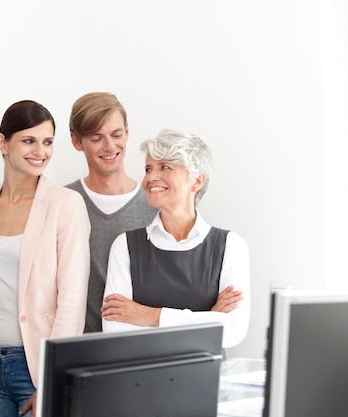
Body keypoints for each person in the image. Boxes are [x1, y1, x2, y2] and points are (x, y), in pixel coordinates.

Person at [0, 100, 90, 417]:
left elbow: (72, 301)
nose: (41, 151)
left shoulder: (66, 205)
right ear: (3, 143)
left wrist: (52, 377)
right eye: (29, 141)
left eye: (47, 142)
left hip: (34, 364)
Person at [101, 128, 250, 349]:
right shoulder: (125, 246)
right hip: (142, 381)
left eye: (165, 167)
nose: (151, 177)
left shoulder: (230, 246)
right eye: (148, 168)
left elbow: (232, 332)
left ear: (197, 181)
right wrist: (208, 318)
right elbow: (115, 330)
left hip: (204, 381)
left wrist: (145, 315)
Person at [66, 92, 158, 333]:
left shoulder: (156, 204)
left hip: (142, 350)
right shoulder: (64, 203)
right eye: (96, 138)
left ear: (127, 131)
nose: (109, 146)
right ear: (76, 141)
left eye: (116, 134)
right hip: (82, 352)